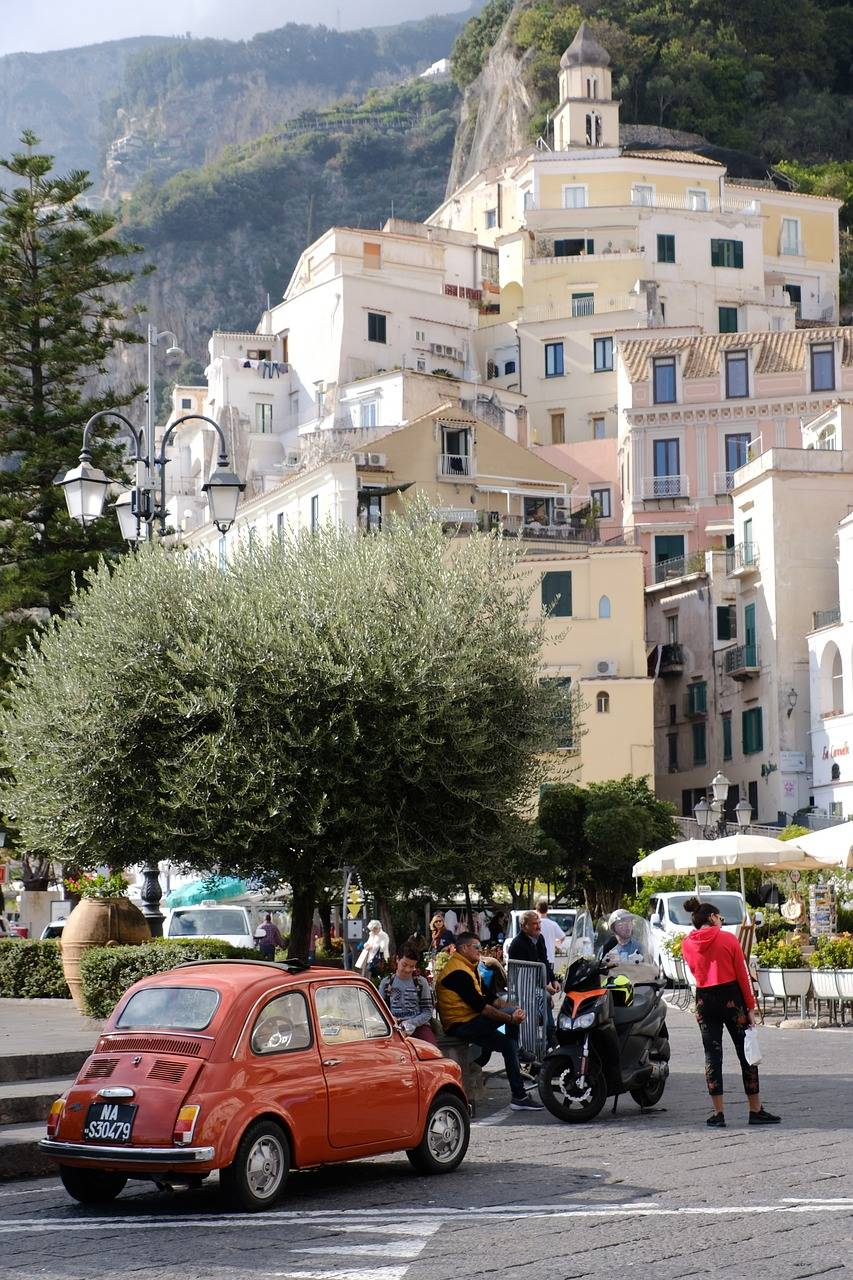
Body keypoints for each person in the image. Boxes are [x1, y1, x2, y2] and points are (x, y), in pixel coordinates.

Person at [681, 897, 780, 1128]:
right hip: (731, 999)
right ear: (712, 917)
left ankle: (718, 1113)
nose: (722, 921)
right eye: (720, 917)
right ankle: (755, 1109)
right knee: (746, 1053)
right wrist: (751, 1007)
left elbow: (695, 971)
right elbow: (743, 976)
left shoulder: (686, 943)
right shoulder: (728, 939)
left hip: (704, 999)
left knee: (712, 1056)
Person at [435, 931, 543, 1111]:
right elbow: (483, 1008)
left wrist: (513, 1008)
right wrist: (511, 1017)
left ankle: (519, 1096)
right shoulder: (457, 972)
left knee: (508, 1045)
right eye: (476, 947)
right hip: (459, 1025)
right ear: (464, 948)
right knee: (510, 1021)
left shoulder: (469, 966)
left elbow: (492, 998)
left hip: (470, 1020)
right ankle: (520, 1050)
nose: (480, 950)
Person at [507, 910, 560, 1048]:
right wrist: (544, 986)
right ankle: (550, 1035)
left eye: (539, 923)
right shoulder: (518, 944)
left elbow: (544, 961)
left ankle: (549, 1034)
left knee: (546, 998)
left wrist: (553, 980)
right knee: (546, 997)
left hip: (536, 985)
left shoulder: (539, 938)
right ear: (524, 927)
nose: (538, 926)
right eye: (534, 924)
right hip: (523, 988)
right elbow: (527, 971)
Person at [379, 948, 438, 1046]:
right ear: (397, 959)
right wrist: (391, 1020)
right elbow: (380, 1010)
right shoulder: (386, 983)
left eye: (412, 966)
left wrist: (412, 1023)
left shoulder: (421, 982)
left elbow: (427, 1011)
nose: (407, 970)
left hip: (419, 1026)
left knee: (432, 1049)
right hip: (394, 1027)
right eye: (404, 965)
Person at [536, 900, 567, 965]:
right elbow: (562, 936)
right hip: (550, 957)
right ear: (547, 910)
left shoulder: (535, 924)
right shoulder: (553, 924)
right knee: (548, 974)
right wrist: (556, 943)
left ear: (537, 910)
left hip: (537, 957)